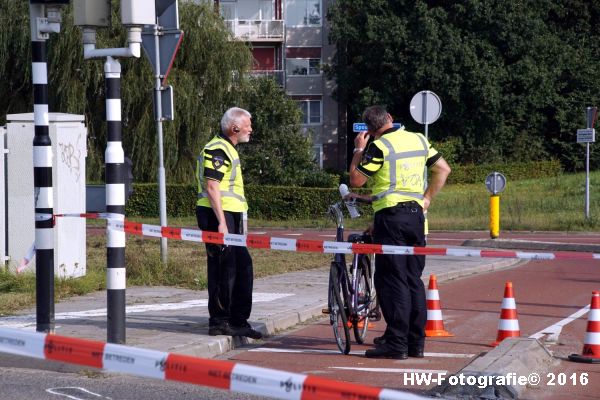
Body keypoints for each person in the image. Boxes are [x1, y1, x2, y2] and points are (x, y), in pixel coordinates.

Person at [349, 105, 451, 359]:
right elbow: (443, 169)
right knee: (412, 280)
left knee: (392, 280)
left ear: (371, 131)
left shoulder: (379, 147)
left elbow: (356, 180)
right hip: (416, 218)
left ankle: (396, 343)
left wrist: (358, 150)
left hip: (391, 218)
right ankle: (416, 342)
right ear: (391, 119)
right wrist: (426, 199)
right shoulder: (419, 139)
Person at [196, 107, 262, 339]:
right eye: (248, 125)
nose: (251, 129)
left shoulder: (227, 148)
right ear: (235, 128)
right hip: (218, 216)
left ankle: (235, 319)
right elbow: (212, 186)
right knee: (227, 269)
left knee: (238, 267)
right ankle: (222, 321)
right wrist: (222, 223)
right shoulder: (218, 148)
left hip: (227, 215)